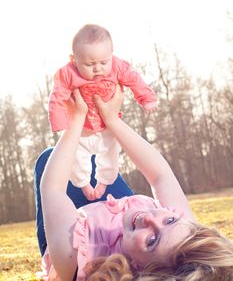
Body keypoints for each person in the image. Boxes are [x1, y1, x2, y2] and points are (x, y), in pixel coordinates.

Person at [36, 86, 233, 281]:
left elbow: (53, 190)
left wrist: (76, 121)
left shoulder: (79, 260)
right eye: (169, 220)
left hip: (77, 238)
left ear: (141, 269)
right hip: (118, 215)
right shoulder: (183, 233)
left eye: (152, 240)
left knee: (49, 159)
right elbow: (160, 175)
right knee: (93, 166)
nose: (150, 219)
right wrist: (112, 120)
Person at [48, 24, 157, 200]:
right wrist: (59, 122)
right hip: (82, 129)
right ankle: (83, 184)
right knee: (76, 157)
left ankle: (103, 183)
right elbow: (57, 96)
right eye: (89, 64)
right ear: (74, 59)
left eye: (103, 62)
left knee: (110, 154)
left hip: (107, 126)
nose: (97, 68)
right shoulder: (68, 74)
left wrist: (147, 98)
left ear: (111, 54)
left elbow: (134, 80)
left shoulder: (118, 67)